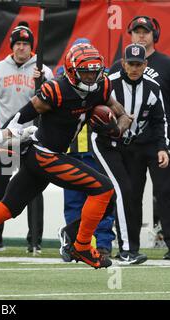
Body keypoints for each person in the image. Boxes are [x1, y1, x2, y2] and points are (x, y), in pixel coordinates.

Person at [0, 43, 134, 280]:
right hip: (44, 154)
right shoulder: (56, 90)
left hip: (47, 156)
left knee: (7, 208)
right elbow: (21, 116)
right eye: (86, 71)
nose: (91, 76)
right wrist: (3, 143)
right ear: (71, 71)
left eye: (94, 70)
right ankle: (80, 246)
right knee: (104, 189)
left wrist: (116, 130)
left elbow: (123, 116)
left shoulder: (101, 86)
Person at [93, 43, 168, 264]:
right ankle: (127, 250)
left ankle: (72, 233)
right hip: (106, 143)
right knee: (123, 191)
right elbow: (92, 112)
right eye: (130, 63)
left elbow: (159, 120)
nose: (134, 68)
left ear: (145, 65)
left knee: (118, 196)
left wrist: (163, 148)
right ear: (123, 63)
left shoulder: (153, 87)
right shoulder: (109, 84)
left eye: (138, 64)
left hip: (131, 146)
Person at [0, 21, 53, 254]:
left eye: (25, 44)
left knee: (34, 189)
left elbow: (52, 102)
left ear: (32, 48)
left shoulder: (43, 70)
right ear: (12, 46)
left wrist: (41, 82)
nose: (21, 48)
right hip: (5, 136)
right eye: (18, 43)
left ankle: (35, 240)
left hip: (33, 137)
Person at [109, 16, 170, 260]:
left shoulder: (166, 64)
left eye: (146, 32)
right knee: (130, 194)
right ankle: (130, 246)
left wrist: (164, 143)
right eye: (137, 31)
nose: (141, 35)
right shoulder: (115, 70)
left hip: (158, 141)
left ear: (154, 35)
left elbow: (162, 115)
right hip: (129, 144)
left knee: (166, 192)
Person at [59, 38, 115, 258]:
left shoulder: (102, 82)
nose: (89, 75)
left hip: (95, 149)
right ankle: (74, 244)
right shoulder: (61, 82)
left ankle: (102, 244)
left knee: (101, 199)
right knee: (73, 203)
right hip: (70, 150)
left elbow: (113, 107)